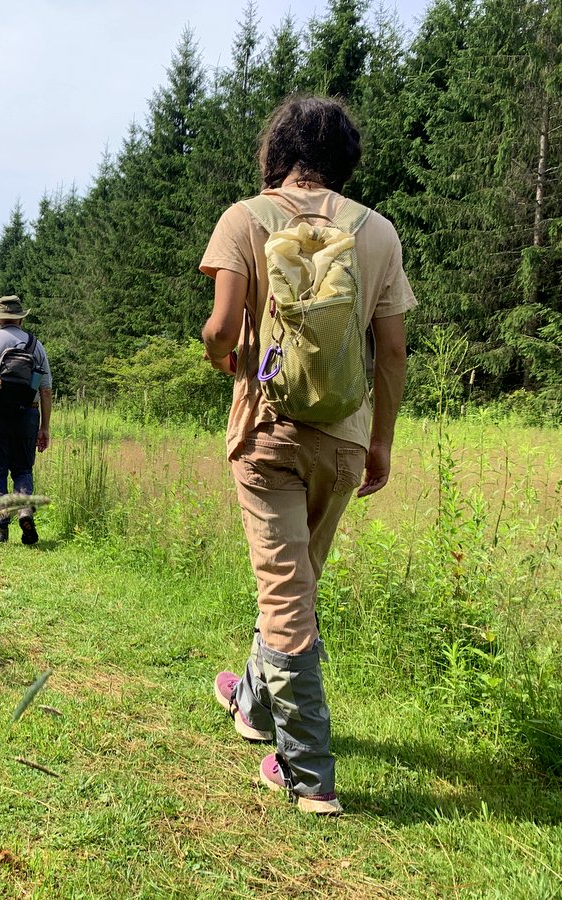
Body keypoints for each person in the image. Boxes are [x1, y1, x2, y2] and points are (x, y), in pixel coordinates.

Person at [200, 95, 415, 815]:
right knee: (294, 581)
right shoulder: (377, 231)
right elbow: (391, 350)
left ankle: (309, 773)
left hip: (268, 432)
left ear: (276, 153)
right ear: (342, 160)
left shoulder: (245, 218)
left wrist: (220, 355)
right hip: (346, 438)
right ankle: (254, 703)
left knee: (286, 593)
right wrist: (380, 439)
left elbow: (223, 326)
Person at [0, 295, 52, 545]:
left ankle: (0, 530)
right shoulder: (36, 345)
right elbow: (45, 390)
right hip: (28, 414)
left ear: (0, 318)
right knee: (23, 468)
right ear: (21, 318)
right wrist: (44, 427)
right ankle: (24, 508)